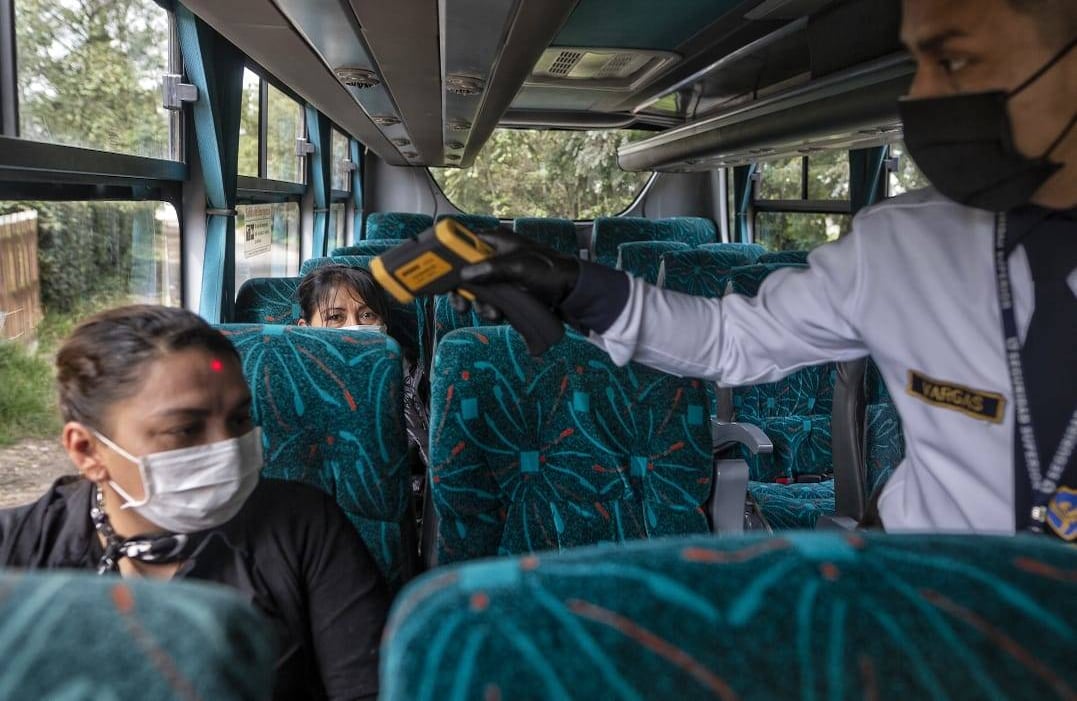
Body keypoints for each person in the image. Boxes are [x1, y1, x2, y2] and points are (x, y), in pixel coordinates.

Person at [453, 0, 1076, 539]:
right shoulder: (900, 245)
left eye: (958, 62)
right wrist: (575, 286)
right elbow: (732, 340)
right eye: (920, 66)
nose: (921, 98)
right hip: (931, 615)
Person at [0, 305, 389, 700]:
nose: (227, 449)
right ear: (86, 452)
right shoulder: (15, 549)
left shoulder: (304, 527)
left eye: (238, 420)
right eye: (185, 429)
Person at [296, 265, 431, 466]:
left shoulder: (419, 383)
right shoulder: (288, 387)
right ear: (305, 330)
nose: (354, 327)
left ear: (384, 324)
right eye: (335, 317)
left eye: (367, 315)